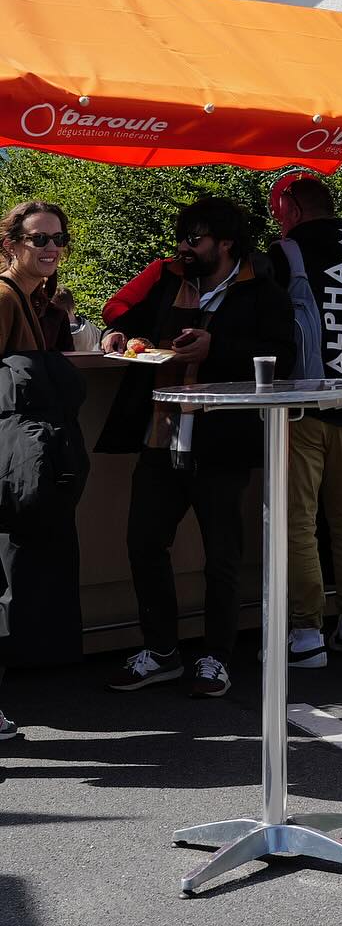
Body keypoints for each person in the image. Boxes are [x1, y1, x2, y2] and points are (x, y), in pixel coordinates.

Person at [101, 196, 295, 700]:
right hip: (160, 432)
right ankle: (162, 651)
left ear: (226, 244)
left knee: (222, 556)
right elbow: (128, 320)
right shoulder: (170, 279)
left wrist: (219, 349)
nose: (185, 247)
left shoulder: (263, 291)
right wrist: (118, 334)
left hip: (222, 438)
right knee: (144, 543)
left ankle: (215, 657)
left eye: (196, 239)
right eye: (183, 237)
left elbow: (283, 359)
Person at [266, 174, 342, 669]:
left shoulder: (284, 254)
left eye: (279, 209)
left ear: (293, 209)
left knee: (298, 521)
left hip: (301, 405)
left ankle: (306, 633)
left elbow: (269, 325)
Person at [0, 202, 89, 743]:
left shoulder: (30, 300)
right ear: (11, 243)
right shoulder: (4, 297)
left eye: (58, 238)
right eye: (39, 239)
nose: (51, 248)